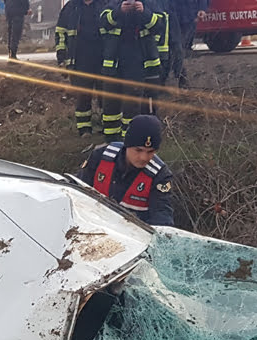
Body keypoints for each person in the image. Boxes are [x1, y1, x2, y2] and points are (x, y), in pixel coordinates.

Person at [77, 113, 175, 226]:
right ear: (127, 145)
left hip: (132, 236)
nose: (144, 157)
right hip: (92, 226)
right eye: (138, 150)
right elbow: (78, 189)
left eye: (150, 152)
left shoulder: (160, 175)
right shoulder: (101, 157)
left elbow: (162, 216)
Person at [99, 0, 166, 140]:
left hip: (137, 63)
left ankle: (128, 141)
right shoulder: (114, 4)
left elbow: (160, 25)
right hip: (114, 65)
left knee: (132, 106)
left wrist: (144, 12)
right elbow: (103, 23)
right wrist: (119, 11)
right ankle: (111, 142)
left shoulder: (149, 4)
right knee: (111, 106)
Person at [56, 0, 110, 136]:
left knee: (106, 94)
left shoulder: (105, 5)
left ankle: (108, 127)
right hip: (79, 60)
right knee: (82, 95)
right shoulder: (71, 7)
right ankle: (84, 129)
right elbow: (60, 33)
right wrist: (62, 58)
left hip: (102, 58)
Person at [168, 0, 204, 88]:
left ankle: (181, 78)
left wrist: (201, 8)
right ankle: (180, 78)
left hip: (188, 15)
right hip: (169, 14)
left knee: (178, 48)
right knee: (176, 48)